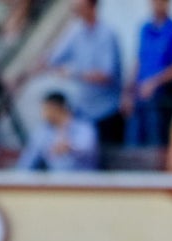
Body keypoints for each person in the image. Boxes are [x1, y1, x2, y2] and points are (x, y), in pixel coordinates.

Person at [43, 0, 122, 145]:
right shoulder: (76, 34)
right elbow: (53, 58)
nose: (77, 10)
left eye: (80, 7)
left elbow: (106, 75)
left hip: (106, 113)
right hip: (84, 112)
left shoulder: (107, 35)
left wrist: (74, 74)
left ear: (93, 7)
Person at [123, 0, 172, 148]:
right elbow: (139, 60)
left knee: (155, 139)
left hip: (161, 96)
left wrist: (154, 83)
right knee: (133, 139)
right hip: (140, 93)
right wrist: (128, 91)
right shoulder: (145, 28)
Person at [15, 89, 97, 171]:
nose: (43, 113)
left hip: (85, 179)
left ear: (58, 108)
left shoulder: (84, 127)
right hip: (56, 180)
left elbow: (87, 151)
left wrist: (69, 147)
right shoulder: (42, 131)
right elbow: (29, 159)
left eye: (46, 109)